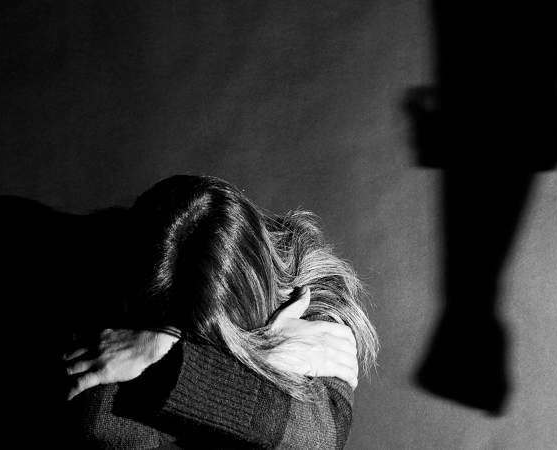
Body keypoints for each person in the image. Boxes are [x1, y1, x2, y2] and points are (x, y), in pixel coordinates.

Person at [61, 174, 379, 449]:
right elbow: (93, 419)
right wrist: (267, 358)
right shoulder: (92, 276)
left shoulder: (310, 296)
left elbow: (322, 436)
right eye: (172, 330)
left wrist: (166, 356)